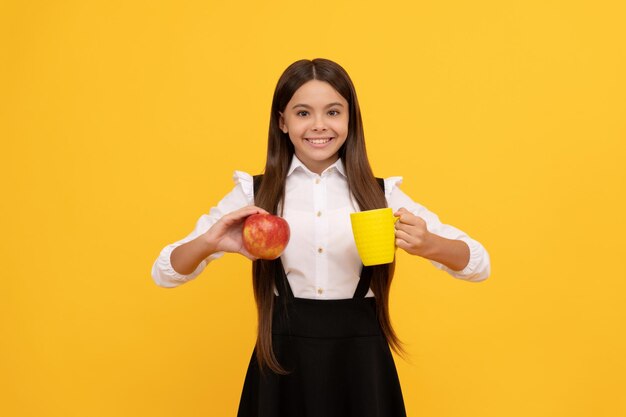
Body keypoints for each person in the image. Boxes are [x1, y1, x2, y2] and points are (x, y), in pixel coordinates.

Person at [151, 58, 491, 417]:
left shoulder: (380, 195)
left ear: (350, 120)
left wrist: (429, 245)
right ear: (282, 121)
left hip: (361, 365)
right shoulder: (255, 193)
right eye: (302, 113)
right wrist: (210, 242)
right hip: (282, 362)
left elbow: (478, 263)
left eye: (332, 112)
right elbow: (165, 271)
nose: (318, 126)